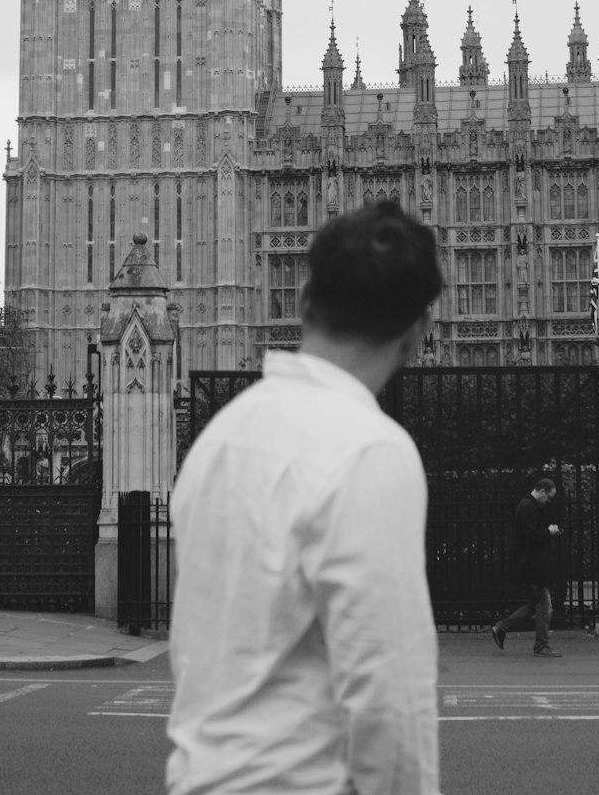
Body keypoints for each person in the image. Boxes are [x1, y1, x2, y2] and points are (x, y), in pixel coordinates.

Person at [166, 200, 444, 795]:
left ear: (300, 302)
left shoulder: (220, 438)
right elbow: (390, 695)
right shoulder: (370, 449)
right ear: (420, 332)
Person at [490, 476, 562, 657]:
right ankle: (541, 646)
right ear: (543, 491)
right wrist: (549, 532)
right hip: (533, 567)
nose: (549, 502)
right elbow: (531, 536)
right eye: (549, 497)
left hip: (531, 565)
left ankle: (501, 627)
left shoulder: (529, 506)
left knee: (534, 605)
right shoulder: (528, 507)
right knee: (545, 607)